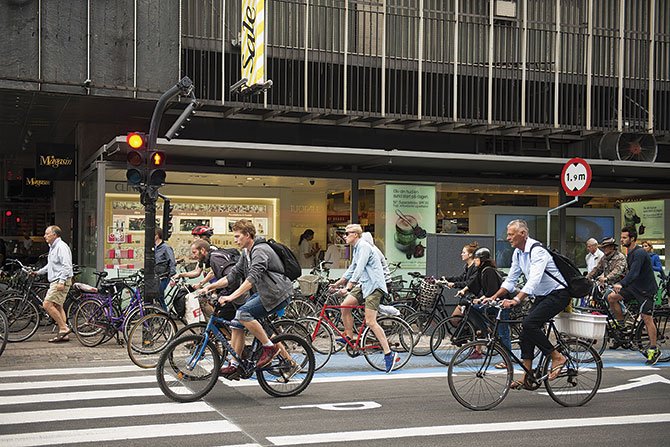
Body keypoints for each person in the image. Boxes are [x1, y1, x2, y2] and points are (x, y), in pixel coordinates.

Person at [486, 219, 569, 388]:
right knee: (526, 332)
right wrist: (493, 297)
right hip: (542, 296)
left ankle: (556, 356)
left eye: (510, 234)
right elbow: (510, 280)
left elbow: (533, 280)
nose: (508, 238)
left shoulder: (537, 251)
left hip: (558, 294)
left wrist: (516, 299)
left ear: (522, 234)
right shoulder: (518, 253)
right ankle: (527, 375)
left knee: (529, 324)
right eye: (507, 234)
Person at [215, 219, 293, 380]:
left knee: (243, 313)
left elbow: (252, 278)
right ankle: (234, 365)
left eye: (237, 236)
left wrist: (231, 296)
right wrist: (208, 287)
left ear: (248, 235)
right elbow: (233, 275)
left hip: (276, 293)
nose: (235, 240)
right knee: (238, 322)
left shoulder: (259, 250)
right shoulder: (246, 252)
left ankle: (269, 348)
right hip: (264, 293)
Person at [330, 224, 399, 373]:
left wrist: (348, 287)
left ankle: (389, 354)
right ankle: (349, 336)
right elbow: (352, 268)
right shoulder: (356, 248)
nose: (344, 236)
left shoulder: (364, 247)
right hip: (364, 285)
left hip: (374, 286)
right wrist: (338, 282)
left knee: (370, 321)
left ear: (355, 234)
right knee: (345, 305)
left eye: (347, 233)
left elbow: (360, 267)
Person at [608, 227, 660, 364]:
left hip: (645, 291)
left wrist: (622, 284)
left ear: (632, 238)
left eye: (625, 237)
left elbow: (634, 273)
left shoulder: (640, 253)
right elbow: (628, 272)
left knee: (646, 317)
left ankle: (654, 349)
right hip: (634, 288)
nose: (621, 239)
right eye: (622, 237)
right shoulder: (629, 252)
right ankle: (622, 326)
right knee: (611, 297)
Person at [461, 247, 511, 367]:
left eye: (477, 259)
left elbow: (492, 291)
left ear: (482, 260)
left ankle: (507, 360)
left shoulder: (489, 271)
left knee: (503, 332)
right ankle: (487, 329)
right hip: (492, 302)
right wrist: (464, 291)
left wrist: (482, 299)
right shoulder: (481, 271)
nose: (475, 261)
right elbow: (474, 285)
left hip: (501, 303)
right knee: (471, 308)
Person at [32, 225, 74, 343]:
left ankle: (63, 328)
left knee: (47, 304)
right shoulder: (52, 247)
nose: (45, 236)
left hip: (60, 281)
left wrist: (61, 282)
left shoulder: (61, 247)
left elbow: (67, 266)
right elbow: (50, 265)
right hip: (56, 280)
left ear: (54, 235)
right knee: (57, 306)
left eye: (47, 233)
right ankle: (63, 334)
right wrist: (38, 272)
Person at [154, 227, 176, 311]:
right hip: (156, 275)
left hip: (164, 276)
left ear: (157, 235)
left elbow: (172, 261)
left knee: (159, 295)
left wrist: (172, 276)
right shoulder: (155, 248)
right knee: (156, 295)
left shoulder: (166, 247)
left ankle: (164, 314)